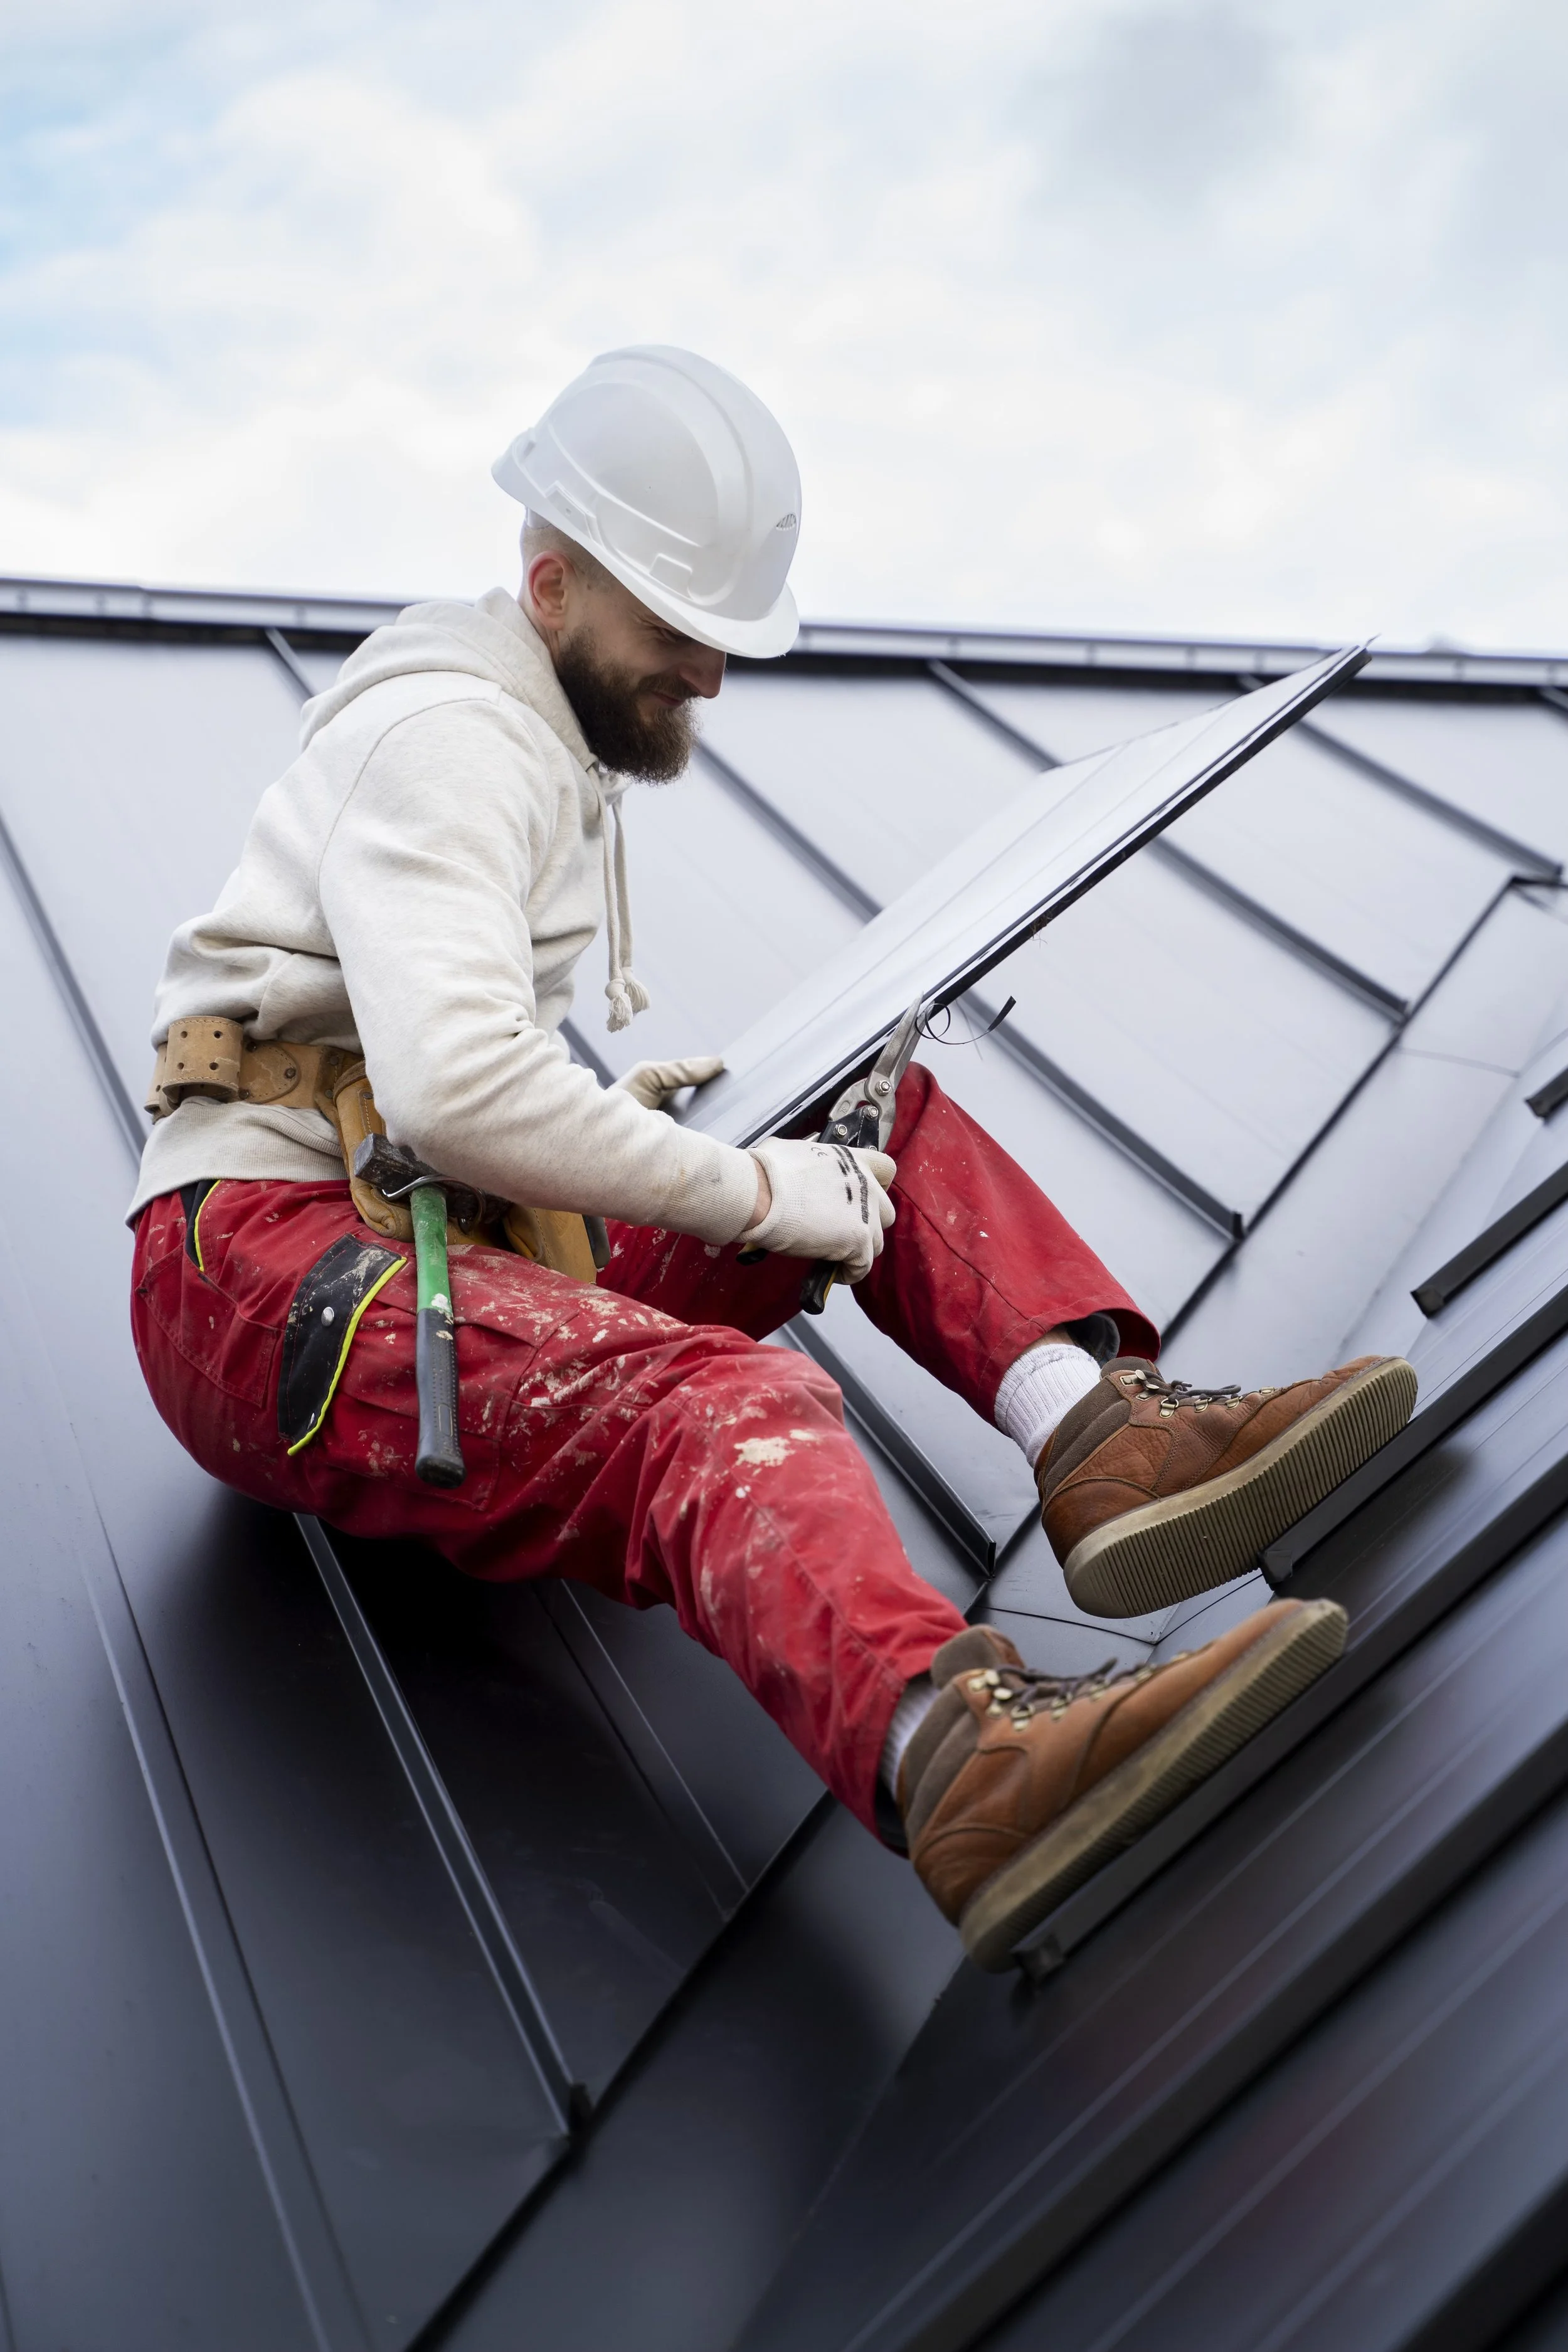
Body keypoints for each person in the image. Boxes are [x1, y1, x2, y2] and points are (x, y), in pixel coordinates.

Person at [129, 345, 1415, 1970]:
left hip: (402, 1230)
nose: (713, 678)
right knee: (714, 1405)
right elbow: (455, 1090)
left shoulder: (523, 732)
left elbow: (431, 1090)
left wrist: (703, 1142)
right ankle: (962, 1761)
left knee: (860, 1113)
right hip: (263, 1278)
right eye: (680, 632)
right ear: (549, 585)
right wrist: (743, 1192)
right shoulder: (456, 740)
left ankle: (1094, 1435)